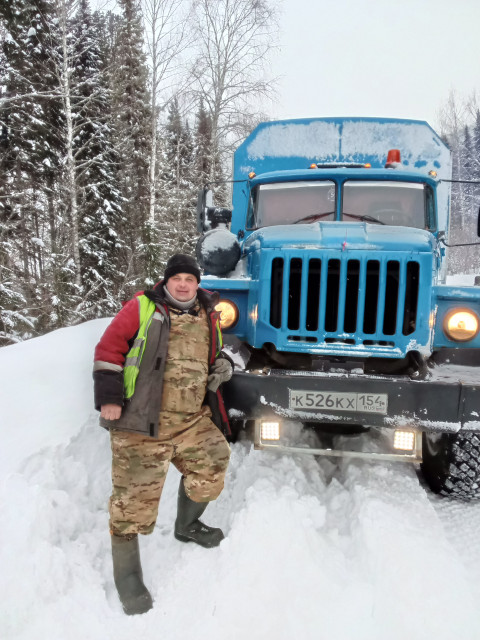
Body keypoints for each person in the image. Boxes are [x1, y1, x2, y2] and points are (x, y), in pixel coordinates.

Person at [93, 253, 233, 615]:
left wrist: (224, 364)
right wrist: (109, 399)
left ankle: (186, 525)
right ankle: (128, 580)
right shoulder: (142, 308)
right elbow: (108, 351)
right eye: (177, 279)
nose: (183, 284)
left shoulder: (208, 314)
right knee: (130, 508)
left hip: (190, 421)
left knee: (213, 463)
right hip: (141, 423)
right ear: (167, 281)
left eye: (190, 279)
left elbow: (215, 352)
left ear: (197, 284)